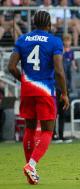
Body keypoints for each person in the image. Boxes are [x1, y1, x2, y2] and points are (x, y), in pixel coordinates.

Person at [8, 11, 69, 184]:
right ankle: (31, 165)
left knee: (29, 128)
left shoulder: (22, 40)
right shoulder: (54, 41)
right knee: (48, 130)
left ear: (33, 24)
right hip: (45, 91)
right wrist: (64, 93)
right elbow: (58, 70)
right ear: (49, 25)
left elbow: (11, 67)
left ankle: (30, 171)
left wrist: (25, 80)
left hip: (27, 90)